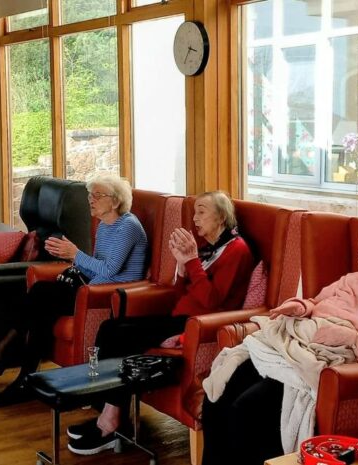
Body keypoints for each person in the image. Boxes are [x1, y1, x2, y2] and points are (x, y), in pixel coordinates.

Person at [199, 225, 358, 465]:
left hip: (325, 362)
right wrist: (299, 307)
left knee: (246, 410)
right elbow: (314, 302)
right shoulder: (350, 280)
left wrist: (353, 339)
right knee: (217, 396)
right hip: (291, 346)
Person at [65, 191, 256, 456]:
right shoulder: (208, 249)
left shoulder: (237, 250)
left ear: (222, 217)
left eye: (201, 211)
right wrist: (182, 267)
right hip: (179, 316)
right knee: (110, 328)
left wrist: (190, 262)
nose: (194, 218)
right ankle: (107, 411)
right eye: (194, 212)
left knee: (120, 337)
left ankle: (109, 423)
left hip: (199, 325)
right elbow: (181, 297)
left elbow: (212, 301)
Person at [0, 174, 148, 406]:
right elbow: (95, 269)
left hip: (110, 295)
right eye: (90, 195)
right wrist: (72, 261)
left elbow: (110, 271)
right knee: (40, 296)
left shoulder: (128, 227)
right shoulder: (103, 226)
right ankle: (22, 374)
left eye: (97, 195)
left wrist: (76, 254)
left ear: (116, 201)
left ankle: (10, 358)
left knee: (42, 298)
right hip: (93, 288)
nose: (91, 200)